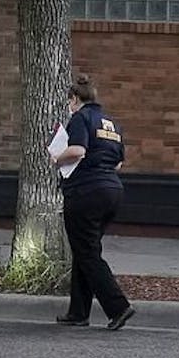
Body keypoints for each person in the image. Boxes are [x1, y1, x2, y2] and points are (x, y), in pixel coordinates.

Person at [51, 74, 135, 330]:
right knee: (84, 249)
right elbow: (118, 162)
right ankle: (78, 312)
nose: (69, 106)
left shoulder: (81, 118)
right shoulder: (112, 124)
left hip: (85, 193)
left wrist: (57, 158)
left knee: (87, 252)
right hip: (112, 192)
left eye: (69, 101)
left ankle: (118, 307)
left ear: (75, 99)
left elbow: (77, 150)